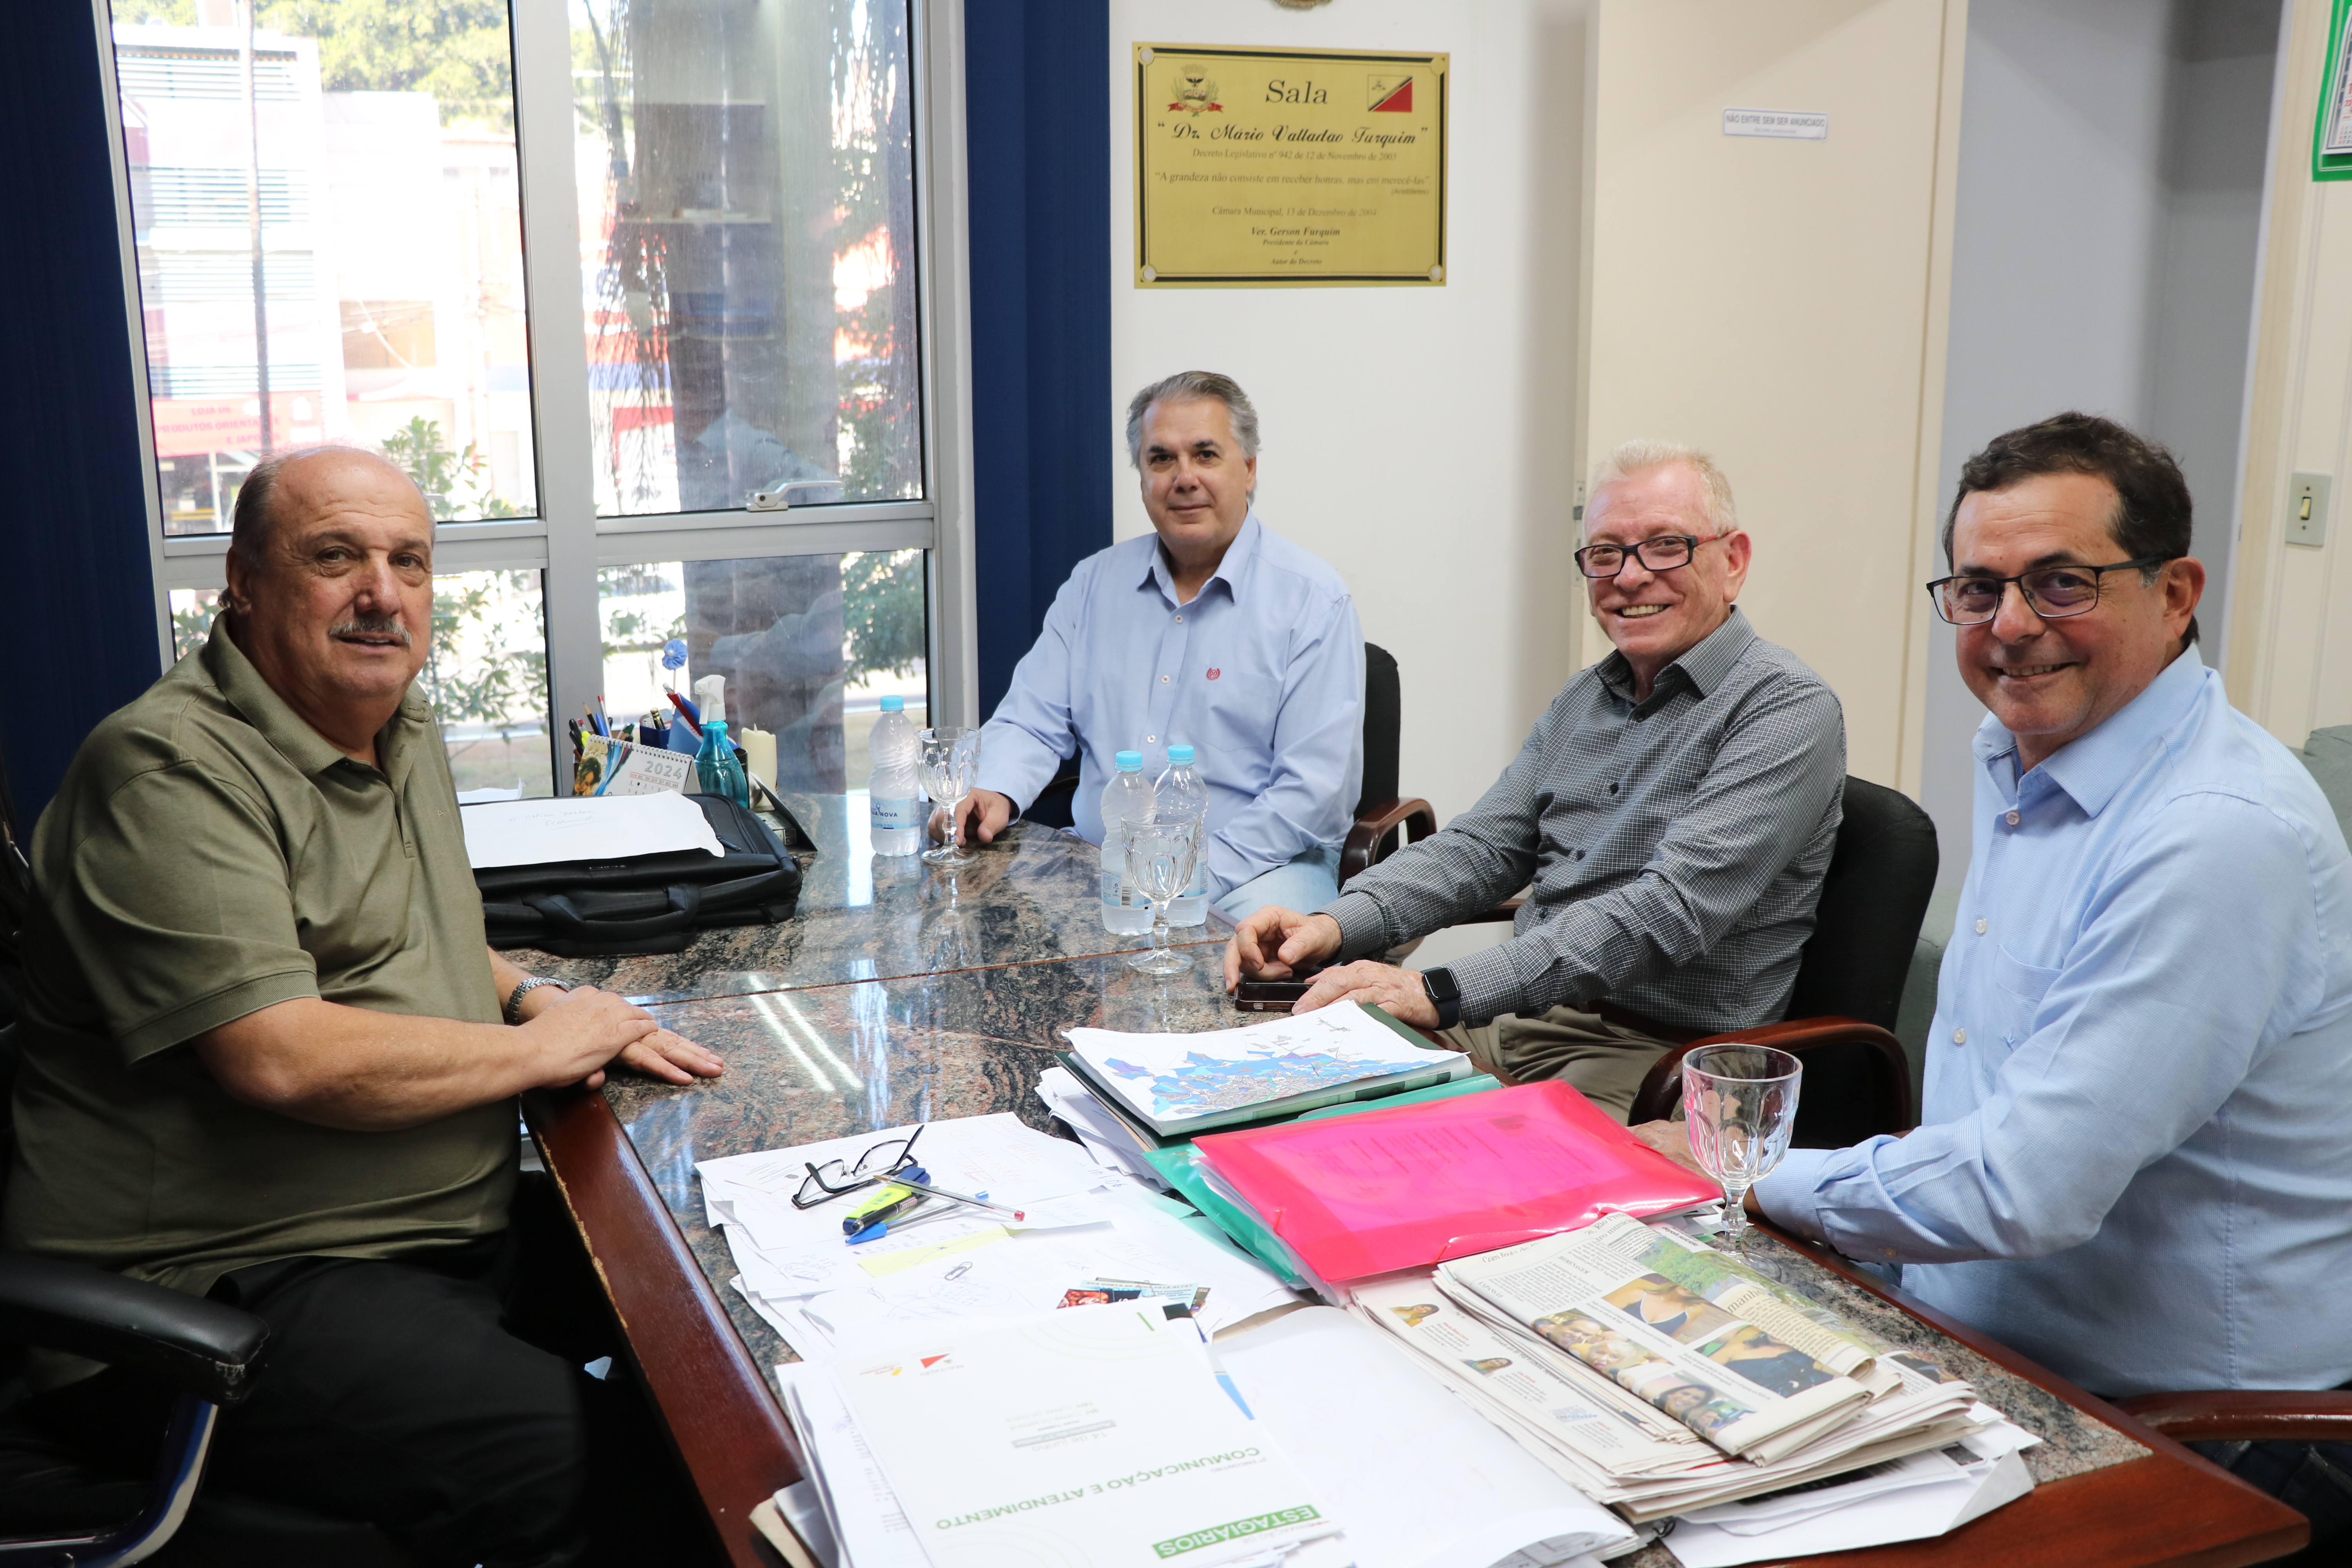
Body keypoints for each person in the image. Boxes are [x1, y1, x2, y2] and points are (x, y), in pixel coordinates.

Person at [4, 446, 725, 1566]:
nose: (382, 593)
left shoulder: (394, 725)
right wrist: (550, 1055)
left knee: (716, 1329)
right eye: (335, 556)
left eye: (409, 563)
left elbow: (418, 934)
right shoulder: (168, 772)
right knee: (615, 1468)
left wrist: (538, 996)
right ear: (242, 581)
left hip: (415, 1235)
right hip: (218, 1286)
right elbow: (279, 1055)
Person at [1646, 412, 2352, 1548]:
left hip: (2197, 1430)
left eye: (2062, 583)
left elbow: (2027, 1187)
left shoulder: (2216, 835)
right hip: (1974, 1333)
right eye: (1978, 590)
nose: (2012, 627)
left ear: (2176, 594)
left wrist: (1749, 1176)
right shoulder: (2036, 760)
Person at [1225, 439, 1846, 1118]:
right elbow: (1482, 848)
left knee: (1483, 1178)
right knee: (1274, 1083)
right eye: (1606, 553)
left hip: (1667, 1055)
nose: (1631, 577)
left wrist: (1440, 990)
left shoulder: (1785, 710)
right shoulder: (1586, 698)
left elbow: (1665, 915)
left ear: (1734, 560)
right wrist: (1332, 926)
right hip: (1526, 1018)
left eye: (1666, 546)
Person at [936, 370, 1364, 920]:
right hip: (1102, 867)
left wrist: (1183, 874)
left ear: (1250, 469)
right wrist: (993, 790)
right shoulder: (1093, 586)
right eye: (1161, 459)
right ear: (1142, 477)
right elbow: (1030, 720)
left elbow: (1315, 794)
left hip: (1255, 874)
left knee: (1239, 979)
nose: (1183, 478)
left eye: (1205, 454)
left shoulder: (1313, 601)